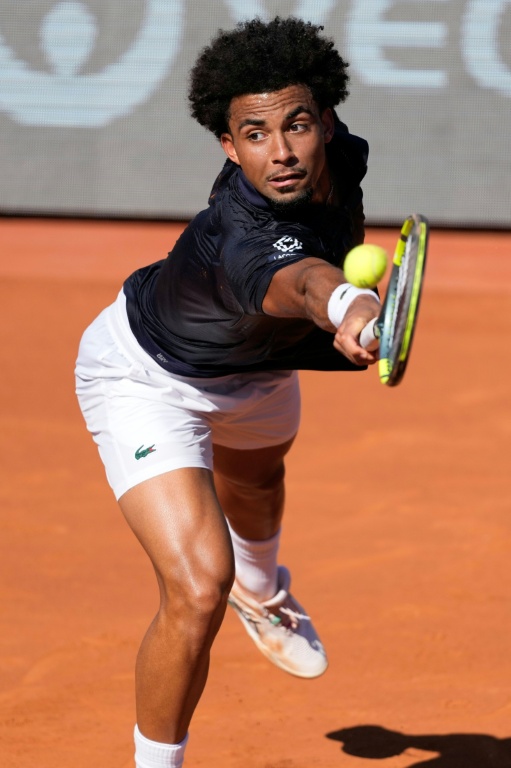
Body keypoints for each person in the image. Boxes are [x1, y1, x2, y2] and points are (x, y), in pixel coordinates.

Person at [75, 16, 381, 768]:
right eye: (253, 134)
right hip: (147, 377)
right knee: (197, 586)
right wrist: (346, 305)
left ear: (327, 121)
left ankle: (263, 589)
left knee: (258, 477)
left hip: (258, 368)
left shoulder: (343, 157)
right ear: (227, 145)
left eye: (296, 125)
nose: (279, 152)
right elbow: (305, 279)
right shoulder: (241, 233)